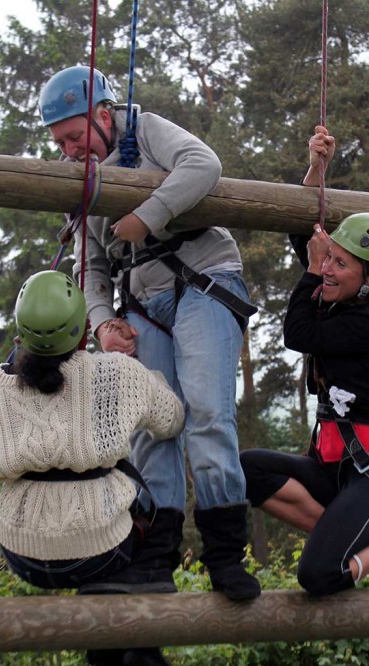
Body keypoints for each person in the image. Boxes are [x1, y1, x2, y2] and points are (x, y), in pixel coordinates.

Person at [36, 65, 261, 602]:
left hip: (203, 279)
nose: (70, 149)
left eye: (75, 136)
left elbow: (203, 163)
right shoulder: (83, 182)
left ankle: (225, 556)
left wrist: (149, 213)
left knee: (207, 412)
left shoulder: (147, 131)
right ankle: (155, 559)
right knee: (153, 425)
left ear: (104, 115)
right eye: (61, 142)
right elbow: (88, 265)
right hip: (142, 298)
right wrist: (101, 323)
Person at [0, 270, 185, 666]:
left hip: (24, 556)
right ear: (85, 330)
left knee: (117, 517)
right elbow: (172, 420)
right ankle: (134, 634)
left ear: (20, 334)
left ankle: (114, 653)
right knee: (151, 509)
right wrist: (149, 382)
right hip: (102, 553)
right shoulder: (117, 374)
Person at [238, 126, 369, 596]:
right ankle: (348, 532)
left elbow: (298, 334)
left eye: (339, 264)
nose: (327, 269)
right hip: (335, 468)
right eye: (327, 258)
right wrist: (317, 168)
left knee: (319, 575)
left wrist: (312, 271)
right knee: (244, 469)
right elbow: (299, 225)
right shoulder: (343, 295)